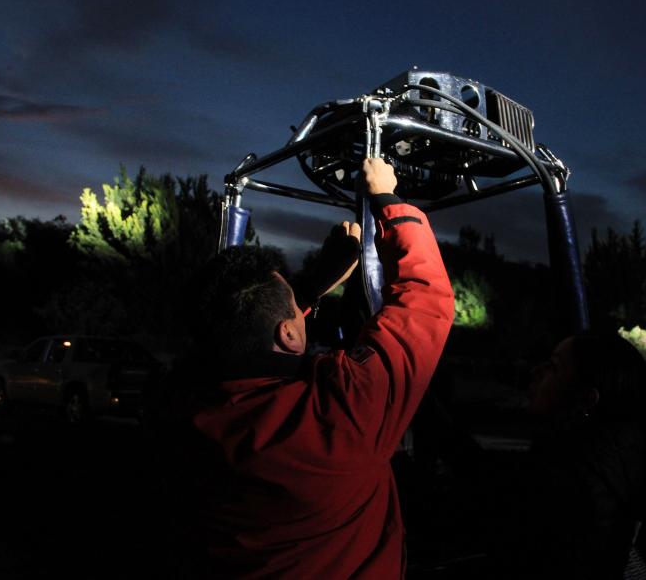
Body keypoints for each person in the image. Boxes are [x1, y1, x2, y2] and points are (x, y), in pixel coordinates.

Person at [155, 157, 455, 578]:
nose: (303, 310)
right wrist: (387, 198)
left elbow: (237, 336)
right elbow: (424, 300)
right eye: (297, 310)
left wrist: (313, 284)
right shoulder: (338, 415)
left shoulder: (176, 410)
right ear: (288, 336)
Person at [504, 332, 646, 579]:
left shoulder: (562, 474)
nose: (537, 372)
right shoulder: (621, 459)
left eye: (553, 367)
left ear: (587, 399)